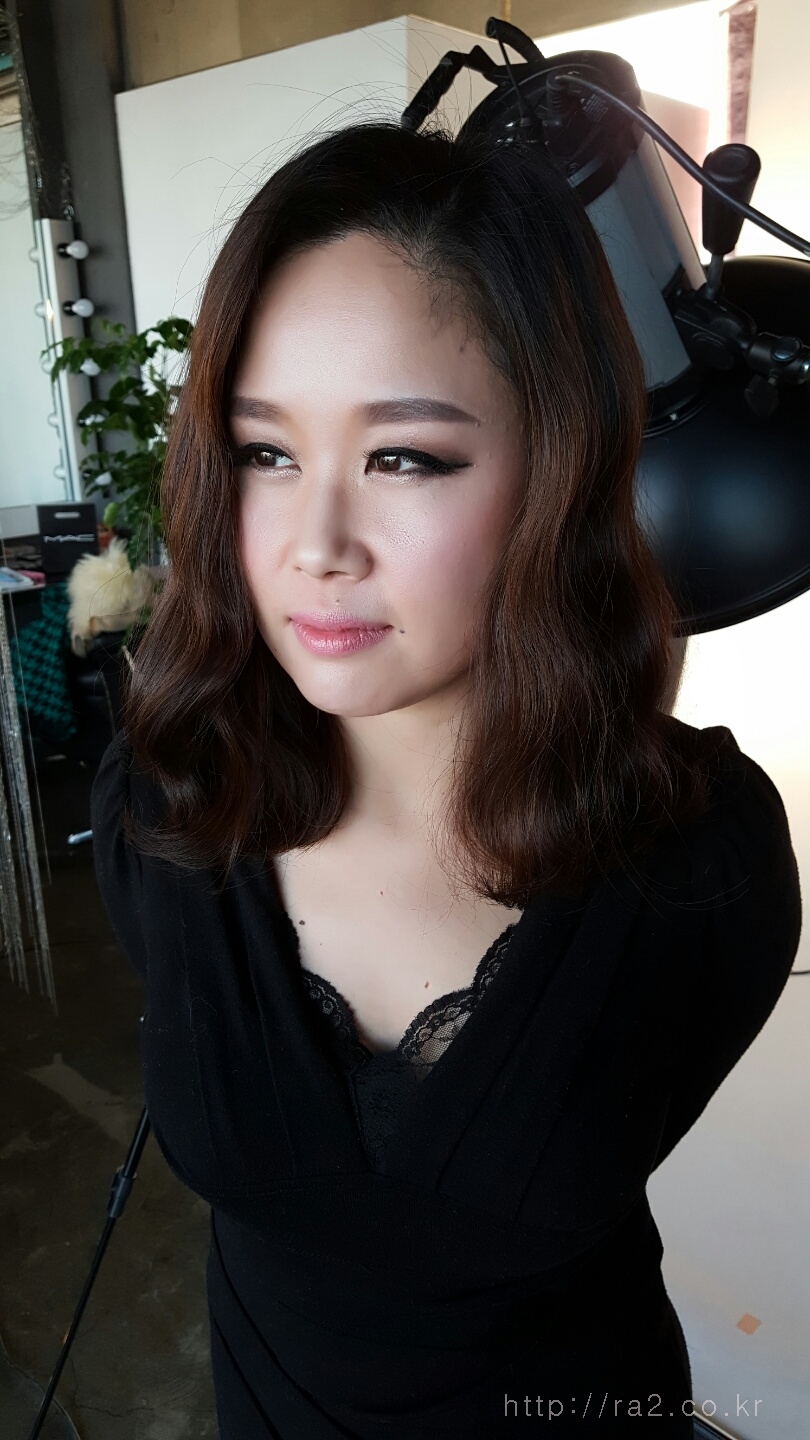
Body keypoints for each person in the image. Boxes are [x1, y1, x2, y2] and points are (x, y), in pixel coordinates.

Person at [90, 117, 802, 1438]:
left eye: (404, 457)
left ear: (558, 465)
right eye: (263, 451)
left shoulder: (702, 862)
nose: (316, 545)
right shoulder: (170, 803)